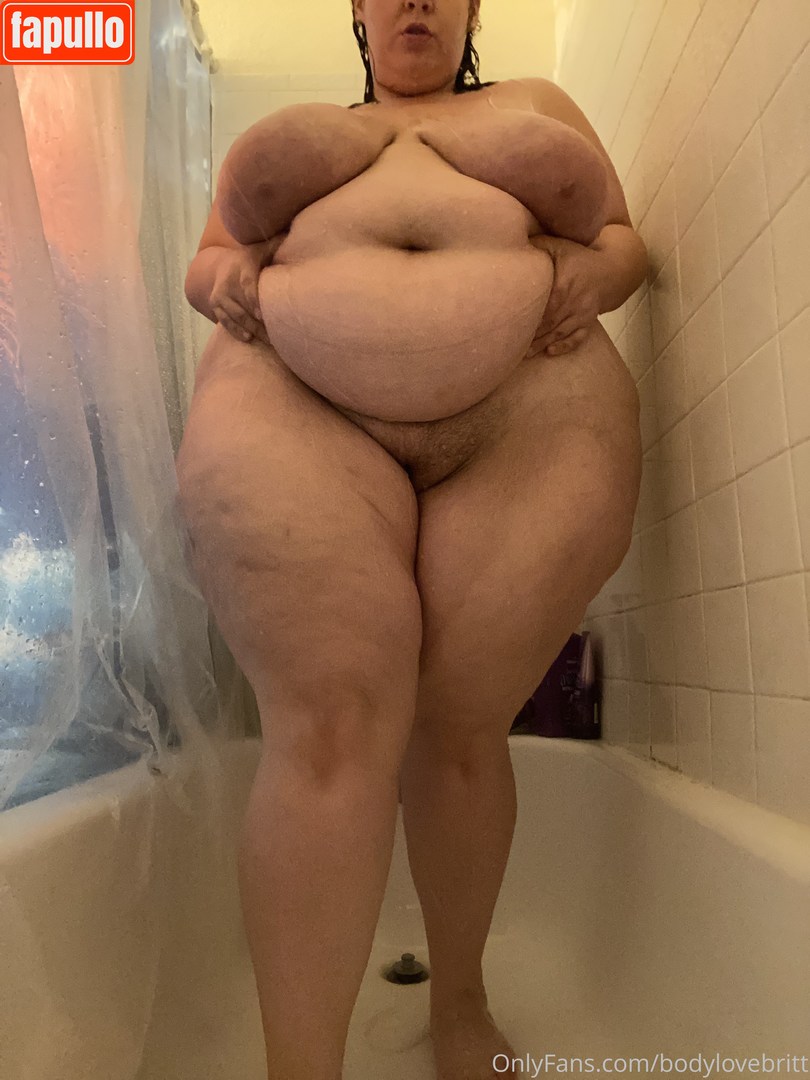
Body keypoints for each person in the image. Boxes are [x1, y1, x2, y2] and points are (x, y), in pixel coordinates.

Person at [177, 2, 648, 1077]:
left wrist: (598, 276)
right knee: (329, 718)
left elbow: (621, 239)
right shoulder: (309, 138)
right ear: (358, 8)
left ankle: (460, 1003)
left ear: (474, 7)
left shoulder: (535, 105)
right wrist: (230, 282)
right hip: (296, 405)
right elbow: (208, 263)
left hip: (528, 414)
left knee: (460, 722)